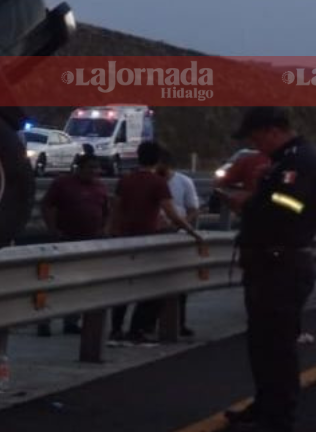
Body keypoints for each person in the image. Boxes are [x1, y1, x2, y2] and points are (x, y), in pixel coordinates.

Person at [220, 108, 316, 432]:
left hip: (282, 264)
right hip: (268, 264)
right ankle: (265, 407)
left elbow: (290, 205)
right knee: (262, 344)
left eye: (256, 137)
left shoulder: (298, 160)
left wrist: (249, 203)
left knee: (277, 347)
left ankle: (278, 421)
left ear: (273, 131)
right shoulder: (284, 160)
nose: (254, 144)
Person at [108, 141, 205, 343]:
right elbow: (172, 214)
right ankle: (138, 329)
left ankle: (116, 328)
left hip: (125, 238)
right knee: (154, 286)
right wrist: (191, 232)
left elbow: (116, 209)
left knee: (125, 284)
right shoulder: (157, 183)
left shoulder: (126, 180)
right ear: (158, 160)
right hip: (148, 239)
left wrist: (112, 232)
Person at [37, 153, 111, 335]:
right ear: (79, 168)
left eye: (96, 168)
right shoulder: (62, 183)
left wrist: (104, 230)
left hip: (89, 242)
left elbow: (107, 210)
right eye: (90, 167)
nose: (94, 171)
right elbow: (47, 205)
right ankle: (44, 321)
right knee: (54, 282)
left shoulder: (100, 187)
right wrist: (53, 229)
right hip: (64, 240)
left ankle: (71, 320)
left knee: (80, 283)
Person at [157, 149, 201, 337]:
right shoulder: (152, 182)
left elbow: (193, 209)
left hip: (178, 237)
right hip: (155, 236)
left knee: (179, 283)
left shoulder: (184, 182)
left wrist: (181, 225)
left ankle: (178, 322)